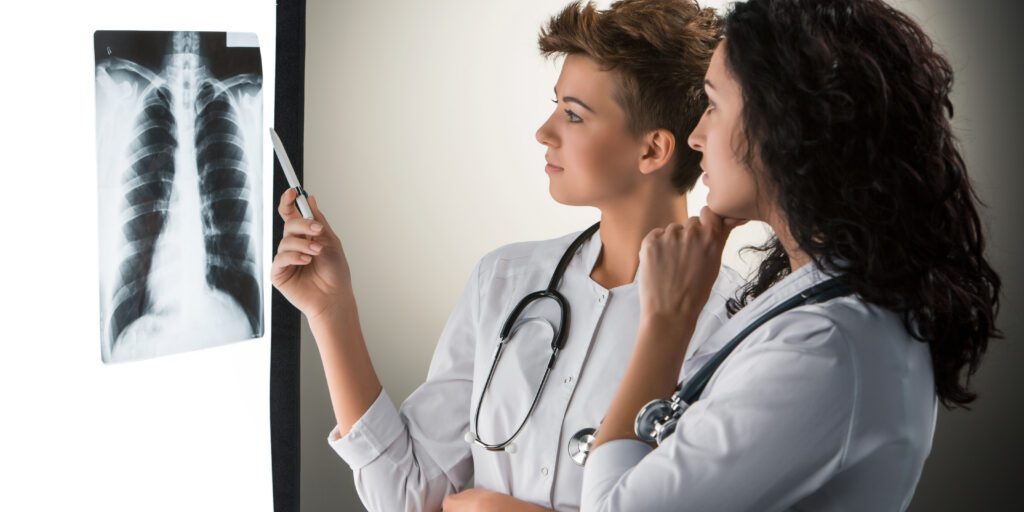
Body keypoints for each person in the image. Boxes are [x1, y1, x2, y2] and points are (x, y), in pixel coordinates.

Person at [271, 1, 728, 510]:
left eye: (573, 115)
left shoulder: (729, 323)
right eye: (556, 105)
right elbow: (406, 494)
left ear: (652, 151)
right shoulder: (506, 280)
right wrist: (332, 311)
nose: (544, 132)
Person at [580, 0, 1003, 510]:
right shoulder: (820, 306)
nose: (695, 136)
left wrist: (667, 322)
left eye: (712, 105)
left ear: (781, 122)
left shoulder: (824, 348)